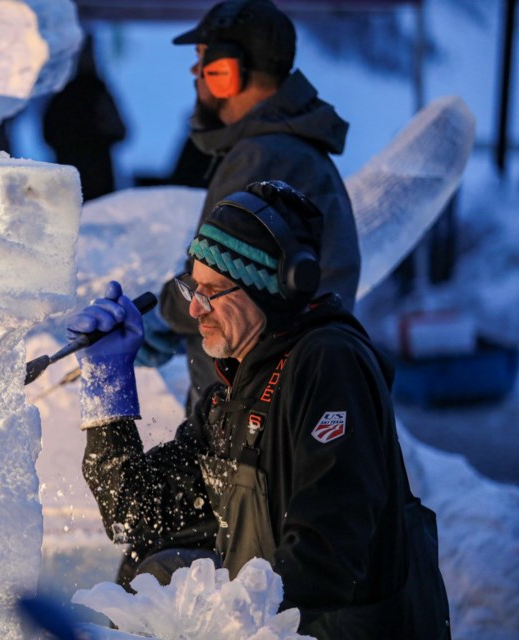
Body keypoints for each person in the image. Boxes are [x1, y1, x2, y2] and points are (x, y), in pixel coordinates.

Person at [67, 181, 450, 639]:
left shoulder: (329, 363)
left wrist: (217, 618)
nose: (194, 309)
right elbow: (135, 512)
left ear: (267, 289)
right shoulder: (235, 392)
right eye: (193, 287)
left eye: (211, 291)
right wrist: (108, 388)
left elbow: (328, 551)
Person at [149, 0, 360, 416]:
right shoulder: (287, 149)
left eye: (202, 61)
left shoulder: (263, 157)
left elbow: (217, 280)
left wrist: (160, 315)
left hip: (253, 401)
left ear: (228, 70)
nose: (196, 75)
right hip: (274, 392)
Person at [42, 34, 127, 201]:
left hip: (84, 171)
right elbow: (120, 131)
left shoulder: (74, 93)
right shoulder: (90, 92)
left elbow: (120, 131)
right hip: (84, 171)